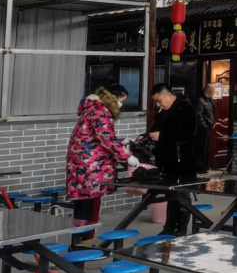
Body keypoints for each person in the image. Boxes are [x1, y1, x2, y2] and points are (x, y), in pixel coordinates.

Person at [66, 84, 137, 239]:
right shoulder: (100, 112)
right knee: (89, 205)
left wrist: (120, 143)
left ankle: (80, 243)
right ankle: (84, 244)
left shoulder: (92, 109)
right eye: (121, 101)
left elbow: (98, 138)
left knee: (84, 203)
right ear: (114, 98)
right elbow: (107, 139)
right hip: (91, 167)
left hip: (83, 165)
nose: (121, 105)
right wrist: (127, 156)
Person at [149, 83, 198, 236]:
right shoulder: (163, 111)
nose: (158, 105)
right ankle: (169, 226)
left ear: (169, 95)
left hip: (182, 160)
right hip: (167, 160)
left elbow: (188, 133)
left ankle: (181, 229)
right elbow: (157, 128)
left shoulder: (185, 108)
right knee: (170, 195)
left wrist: (162, 136)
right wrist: (148, 136)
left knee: (182, 195)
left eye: (159, 101)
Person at [193, 83, 214, 174]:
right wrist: (205, 126)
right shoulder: (200, 101)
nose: (214, 93)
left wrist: (211, 123)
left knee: (205, 148)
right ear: (210, 91)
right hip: (201, 129)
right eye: (213, 91)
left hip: (207, 128)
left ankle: (204, 166)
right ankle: (200, 167)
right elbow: (199, 116)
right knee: (200, 148)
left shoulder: (209, 100)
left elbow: (209, 114)